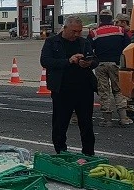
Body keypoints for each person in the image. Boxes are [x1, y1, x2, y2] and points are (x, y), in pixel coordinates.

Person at [40, 16, 98, 156]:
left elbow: (95, 59)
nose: (77, 34)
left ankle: (88, 153)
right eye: (74, 31)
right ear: (65, 28)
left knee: (86, 124)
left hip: (84, 88)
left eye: (79, 31)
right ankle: (61, 151)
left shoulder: (84, 42)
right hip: (62, 89)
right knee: (60, 123)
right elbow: (45, 61)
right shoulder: (52, 42)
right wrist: (68, 61)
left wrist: (88, 63)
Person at [89, 11, 132, 126]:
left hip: (100, 64)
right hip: (116, 64)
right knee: (118, 90)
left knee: (104, 91)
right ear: (111, 18)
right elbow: (128, 46)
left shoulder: (94, 32)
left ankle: (107, 119)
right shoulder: (120, 31)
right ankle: (123, 118)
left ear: (100, 19)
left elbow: (88, 49)